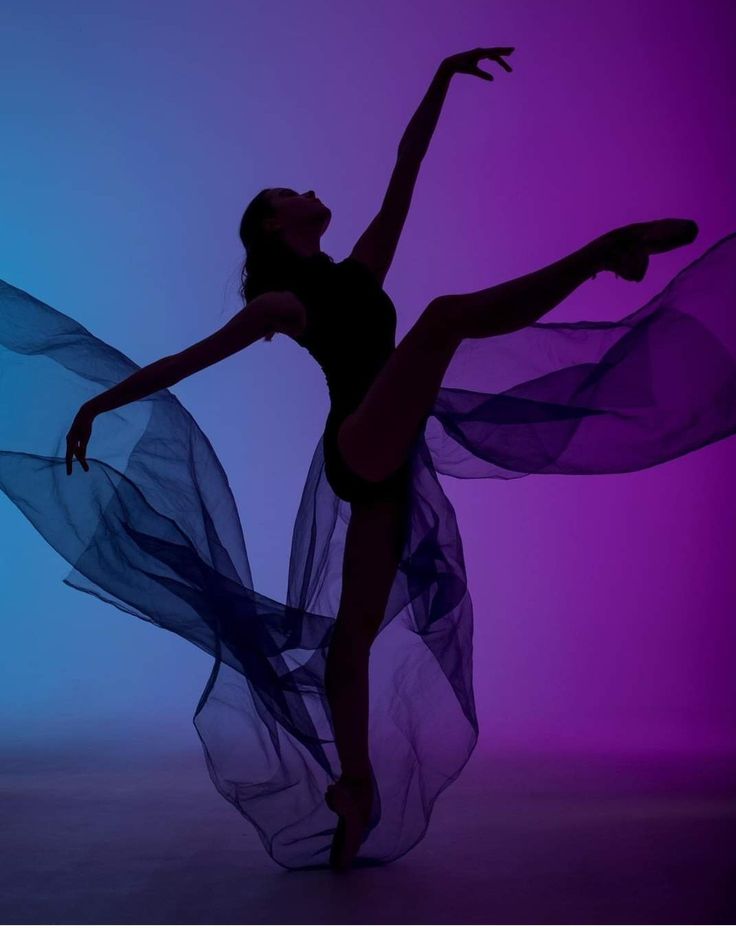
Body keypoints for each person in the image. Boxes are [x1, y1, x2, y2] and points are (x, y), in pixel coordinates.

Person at [4, 48, 735, 873]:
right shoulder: (282, 302)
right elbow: (189, 360)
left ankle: (353, 787)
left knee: (348, 644)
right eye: (290, 194)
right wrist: (98, 403)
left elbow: (406, 167)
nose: (307, 190)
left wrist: (443, 79)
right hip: (360, 439)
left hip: (384, 461)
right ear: (277, 227)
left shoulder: (359, 270)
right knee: (445, 318)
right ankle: (609, 252)